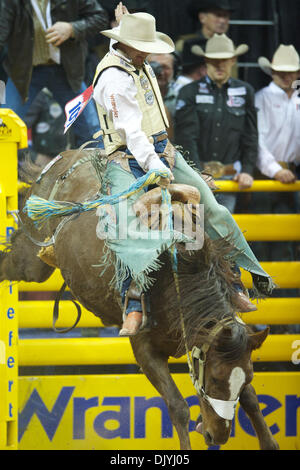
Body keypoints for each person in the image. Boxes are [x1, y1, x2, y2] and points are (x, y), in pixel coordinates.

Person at [92, 6, 274, 336]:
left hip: (162, 148)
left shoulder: (132, 59)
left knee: (212, 207)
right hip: (127, 156)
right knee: (126, 226)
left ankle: (234, 280)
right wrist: (155, 166)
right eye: (142, 45)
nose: (148, 53)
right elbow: (132, 133)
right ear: (128, 44)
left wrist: (125, 24)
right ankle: (133, 305)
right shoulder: (114, 79)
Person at [0, 0, 109, 148]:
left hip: (66, 71)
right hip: (24, 73)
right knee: (3, 127)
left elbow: (101, 18)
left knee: (92, 132)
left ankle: (94, 169)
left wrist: (72, 28)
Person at [174, 34, 257, 214]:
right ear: (205, 60)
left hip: (230, 178)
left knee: (222, 236)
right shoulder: (188, 92)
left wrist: (248, 170)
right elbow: (185, 137)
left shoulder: (245, 91)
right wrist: (197, 173)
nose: (219, 65)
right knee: (193, 236)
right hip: (195, 178)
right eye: (214, 60)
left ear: (233, 60)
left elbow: (250, 135)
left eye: (224, 60)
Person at [249, 45, 300, 267]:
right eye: (282, 72)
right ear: (273, 72)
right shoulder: (262, 98)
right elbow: (256, 139)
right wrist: (275, 169)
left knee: (287, 239)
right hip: (266, 173)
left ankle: (285, 297)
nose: (287, 76)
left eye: (291, 72)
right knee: (261, 239)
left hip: (292, 172)